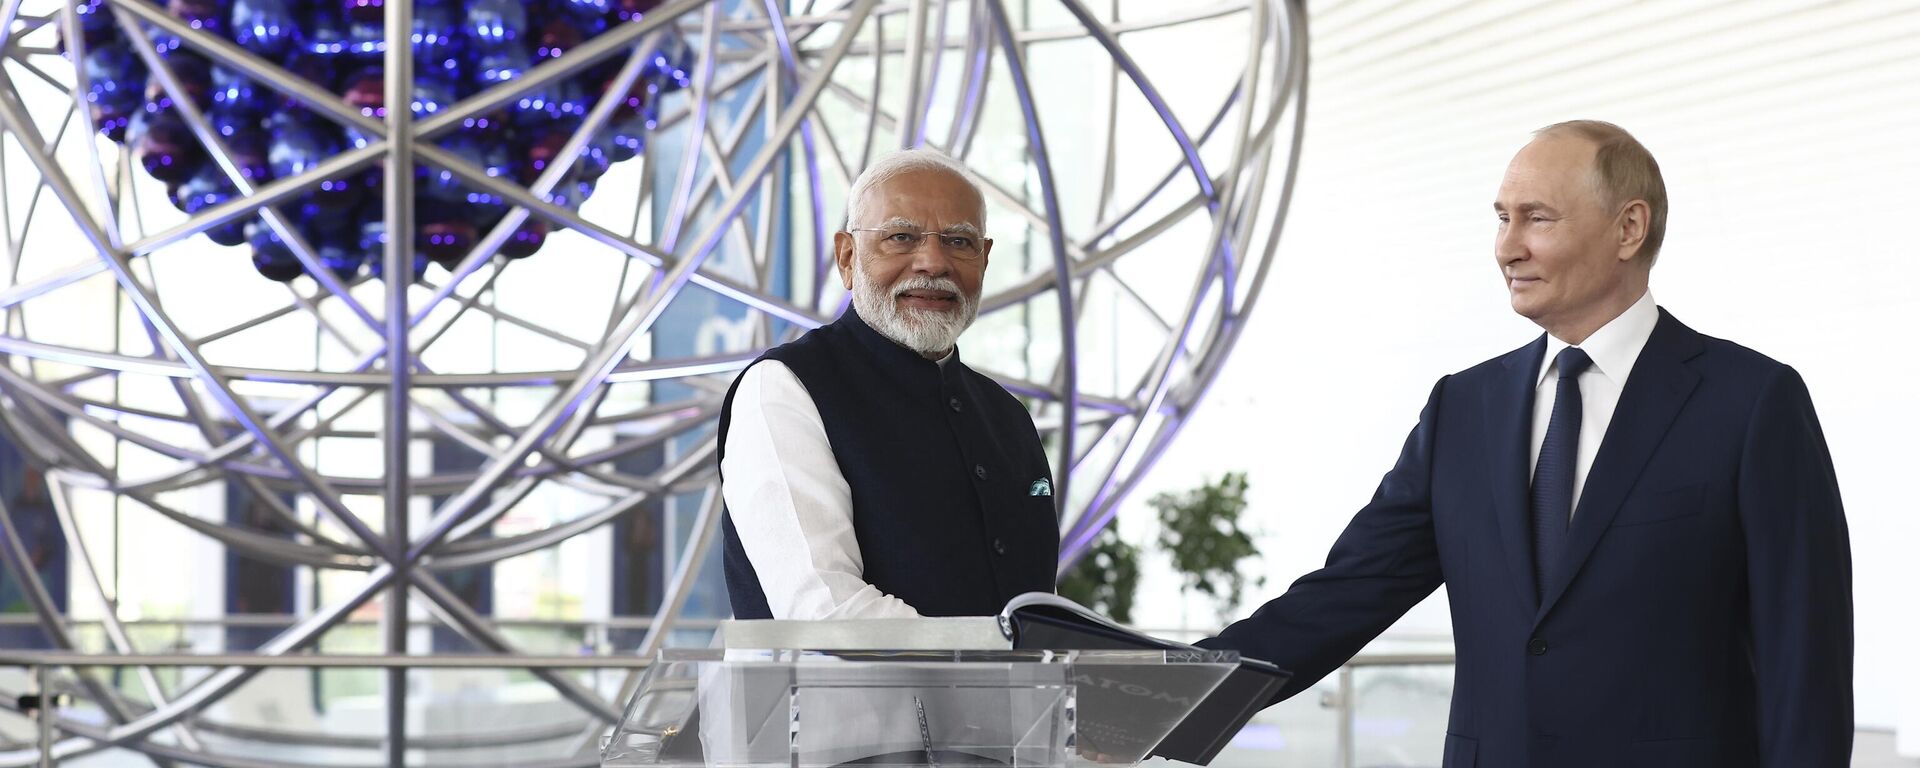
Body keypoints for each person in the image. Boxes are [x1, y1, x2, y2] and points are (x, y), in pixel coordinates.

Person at [1198, 121, 1853, 767]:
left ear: (1630, 228)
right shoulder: (1462, 408)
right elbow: (1343, 595)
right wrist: (1155, 696)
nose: (1507, 248)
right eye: (1502, 218)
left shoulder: (1751, 402)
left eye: (1537, 218)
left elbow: (1805, 659)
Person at [717, 148, 1057, 620]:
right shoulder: (786, 389)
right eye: (902, 236)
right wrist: (991, 662)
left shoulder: (1006, 417)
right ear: (847, 257)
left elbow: (1035, 611)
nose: (933, 263)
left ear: (984, 258)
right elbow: (824, 611)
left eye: (959, 242)